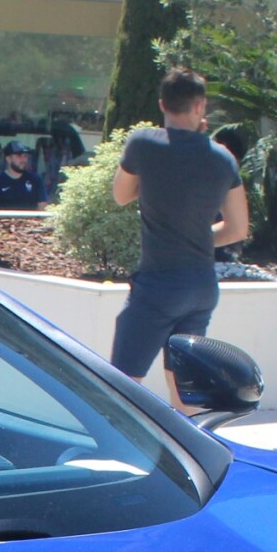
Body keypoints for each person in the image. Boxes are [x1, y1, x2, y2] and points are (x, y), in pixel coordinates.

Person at [109, 69, 251, 402]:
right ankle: (186, 453)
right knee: (184, 391)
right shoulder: (223, 158)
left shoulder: (143, 143)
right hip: (201, 288)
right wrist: (196, 239)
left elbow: (121, 195)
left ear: (162, 104)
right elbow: (237, 228)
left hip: (157, 286)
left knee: (120, 387)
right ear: (201, 105)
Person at [0, 141, 46, 210]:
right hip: (3, 220)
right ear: (8, 159)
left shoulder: (35, 181)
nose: (23, 160)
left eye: (25, 156)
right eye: (19, 156)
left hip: (30, 221)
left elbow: (42, 207)